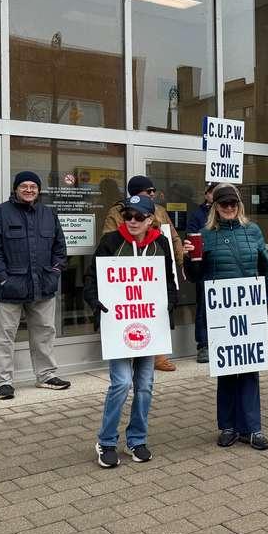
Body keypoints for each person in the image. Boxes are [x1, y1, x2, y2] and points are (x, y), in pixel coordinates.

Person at [183, 183, 268, 450]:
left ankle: (253, 428)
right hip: (221, 314)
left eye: (233, 204)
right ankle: (227, 427)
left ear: (239, 206)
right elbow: (194, 277)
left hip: (248, 310)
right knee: (226, 371)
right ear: (215, 207)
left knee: (249, 370)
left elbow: (266, 266)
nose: (228, 208)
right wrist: (189, 259)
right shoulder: (205, 234)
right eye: (223, 204)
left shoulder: (253, 231)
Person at [85, 194, 177, 469]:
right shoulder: (111, 242)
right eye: (128, 216)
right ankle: (107, 441)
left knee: (145, 386)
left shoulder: (160, 243)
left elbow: (168, 280)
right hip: (119, 327)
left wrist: (170, 303)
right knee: (122, 383)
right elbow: (92, 278)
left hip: (148, 325)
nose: (133, 221)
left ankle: (136, 439)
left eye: (139, 216)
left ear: (151, 220)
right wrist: (94, 301)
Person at [0, 171, 71, 399]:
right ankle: (3, 383)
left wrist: (54, 273)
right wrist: (3, 278)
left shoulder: (48, 214)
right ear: (16, 189)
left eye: (33, 186)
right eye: (24, 186)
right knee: (4, 337)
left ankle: (46, 376)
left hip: (43, 286)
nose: (29, 190)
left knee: (44, 333)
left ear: (39, 190)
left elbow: (60, 249)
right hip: (10, 287)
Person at [102, 175, 183, 372]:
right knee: (129, 312)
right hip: (126, 276)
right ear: (137, 193)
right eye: (149, 191)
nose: (153, 194)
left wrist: (180, 261)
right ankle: (126, 352)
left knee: (154, 311)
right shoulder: (116, 211)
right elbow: (109, 240)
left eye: (153, 191)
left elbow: (173, 237)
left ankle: (159, 355)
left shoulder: (160, 211)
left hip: (152, 274)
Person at [186, 183, 217, 363]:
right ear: (206, 194)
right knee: (204, 309)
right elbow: (193, 239)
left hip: (222, 268)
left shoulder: (227, 213)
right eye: (213, 192)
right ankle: (203, 345)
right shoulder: (198, 215)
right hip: (204, 268)